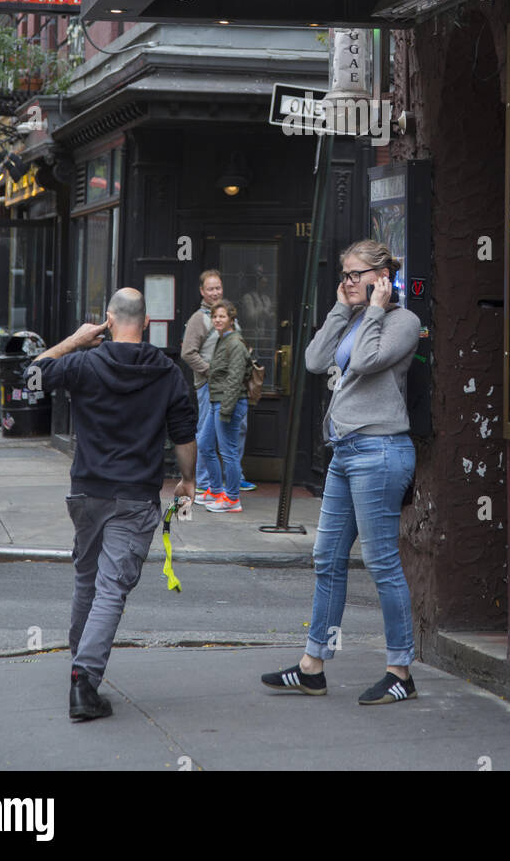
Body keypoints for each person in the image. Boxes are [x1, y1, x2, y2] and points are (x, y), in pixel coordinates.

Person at [262, 240, 420, 706]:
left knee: (381, 563)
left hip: (381, 450)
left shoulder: (403, 323)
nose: (348, 282)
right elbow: (313, 361)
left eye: (356, 275)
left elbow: (370, 362)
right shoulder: (351, 317)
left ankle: (400, 671)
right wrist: (340, 307)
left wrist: (374, 309)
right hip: (346, 453)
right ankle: (313, 665)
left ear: (382, 276)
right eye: (345, 275)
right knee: (327, 559)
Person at [26, 288, 197, 722]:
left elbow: (30, 376)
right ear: (146, 322)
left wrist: (74, 340)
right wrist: (188, 481)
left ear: (108, 319)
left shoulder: (84, 362)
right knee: (112, 588)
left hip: (87, 492)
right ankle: (84, 682)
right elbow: (183, 434)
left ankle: (79, 666)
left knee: (88, 580)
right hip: (135, 496)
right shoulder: (166, 370)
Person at [181, 270, 254, 502]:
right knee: (207, 435)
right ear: (202, 291)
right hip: (208, 387)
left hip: (232, 387)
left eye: (218, 288)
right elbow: (188, 353)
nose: (215, 292)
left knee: (234, 431)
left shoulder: (227, 316)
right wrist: (210, 372)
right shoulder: (198, 319)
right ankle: (204, 482)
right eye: (210, 289)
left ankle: (230, 479)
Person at [197, 300, 249, 513]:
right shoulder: (222, 339)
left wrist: (226, 410)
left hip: (228, 404)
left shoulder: (235, 343)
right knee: (205, 444)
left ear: (231, 320)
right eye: (215, 316)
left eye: (222, 316)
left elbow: (235, 379)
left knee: (229, 452)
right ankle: (217, 489)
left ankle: (233, 498)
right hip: (216, 401)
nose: (217, 320)